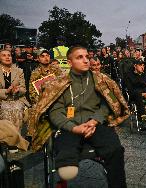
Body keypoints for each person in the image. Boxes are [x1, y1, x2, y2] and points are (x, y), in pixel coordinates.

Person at [28, 46, 129, 188]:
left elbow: (108, 104)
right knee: (67, 165)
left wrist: (95, 120)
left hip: (95, 124)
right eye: (79, 57)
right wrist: (74, 128)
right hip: (69, 126)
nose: (86, 60)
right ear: (69, 62)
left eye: (87, 56)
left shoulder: (100, 80)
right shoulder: (58, 83)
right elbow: (55, 112)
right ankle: (62, 178)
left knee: (115, 150)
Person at [0, 49, 30, 132]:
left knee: (17, 111)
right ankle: (7, 140)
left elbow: (24, 89)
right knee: (6, 112)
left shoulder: (19, 71)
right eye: (4, 55)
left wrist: (18, 90)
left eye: (9, 55)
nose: (7, 57)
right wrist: (6, 91)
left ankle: (16, 139)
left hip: (17, 99)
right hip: (2, 100)